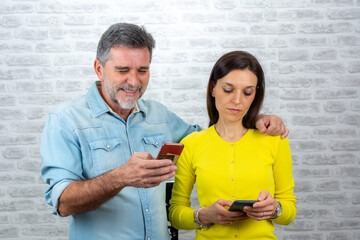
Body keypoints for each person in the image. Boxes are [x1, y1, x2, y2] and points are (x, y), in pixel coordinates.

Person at [40, 23, 289, 240]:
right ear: (99, 68)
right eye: (123, 70)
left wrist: (258, 119)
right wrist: (121, 177)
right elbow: (62, 203)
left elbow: (214, 137)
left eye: (142, 70)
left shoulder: (159, 116)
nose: (134, 81)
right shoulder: (65, 120)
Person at [169, 51, 296, 239]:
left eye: (247, 92)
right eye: (228, 89)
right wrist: (203, 216)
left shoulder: (274, 140)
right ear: (213, 88)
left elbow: (289, 212)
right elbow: (175, 214)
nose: (237, 100)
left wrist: (274, 209)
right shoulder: (192, 144)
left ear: (255, 95)